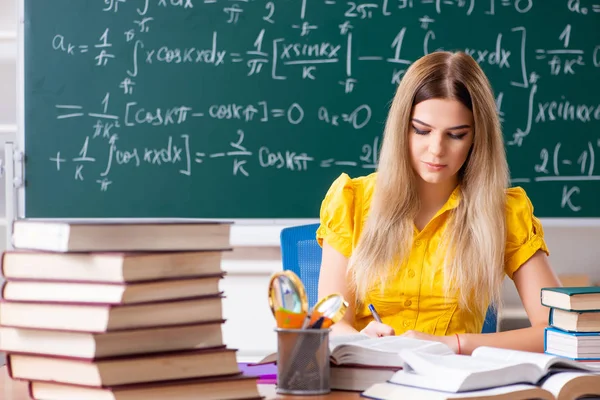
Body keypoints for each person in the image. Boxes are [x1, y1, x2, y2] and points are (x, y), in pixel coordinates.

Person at [316, 51, 561, 355]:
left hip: (452, 384)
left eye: (456, 135)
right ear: (401, 128)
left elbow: (560, 330)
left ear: (477, 139)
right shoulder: (351, 200)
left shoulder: (505, 213)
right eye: (421, 130)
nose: (436, 150)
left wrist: (455, 344)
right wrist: (358, 339)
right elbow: (327, 322)